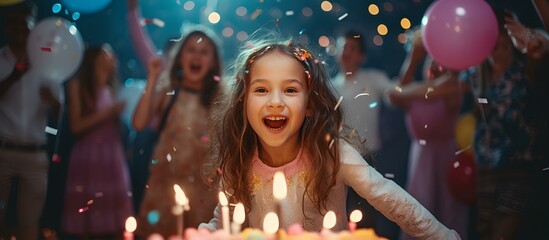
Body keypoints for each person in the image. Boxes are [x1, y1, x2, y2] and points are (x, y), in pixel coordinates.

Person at [199, 38, 460, 239]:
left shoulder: (333, 154)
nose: (275, 102)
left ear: (310, 104)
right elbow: (224, 223)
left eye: (290, 89)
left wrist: (444, 236)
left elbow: (391, 200)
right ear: (244, 102)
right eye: (262, 89)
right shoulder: (239, 162)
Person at [131, 27, 223, 238]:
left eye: (204, 52)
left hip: (204, 194)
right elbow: (138, 123)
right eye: (190, 49)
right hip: (163, 190)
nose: (197, 56)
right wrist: (153, 77)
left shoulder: (220, 96)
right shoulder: (168, 89)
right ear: (180, 57)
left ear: (214, 61)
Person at [469, 5, 549, 239]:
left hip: (518, 167)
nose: (501, 51)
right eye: (496, 46)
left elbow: (541, 48)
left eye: (506, 46)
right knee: (483, 229)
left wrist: (532, 37)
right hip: (485, 167)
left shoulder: (525, 70)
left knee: (503, 233)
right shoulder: (476, 75)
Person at [389, 28, 469, 239]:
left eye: (438, 60)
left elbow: (397, 92)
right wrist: (413, 58)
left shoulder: (453, 87)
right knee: (419, 206)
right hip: (420, 157)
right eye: (429, 60)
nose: (432, 64)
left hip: (445, 156)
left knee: (448, 209)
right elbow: (394, 97)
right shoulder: (416, 91)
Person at [0, 2, 62, 240]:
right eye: (14, 22)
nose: (20, 27)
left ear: (33, 27)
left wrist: (54, 104)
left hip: (35, 154)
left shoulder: (48, 64)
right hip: (2, 151)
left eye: (25, 22)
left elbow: (58, 117)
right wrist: (14, 76)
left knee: (30, 226)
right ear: (6, 26)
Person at [60, 44, 133, 237]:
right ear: (94, 58)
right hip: (88, 155)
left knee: (115, 218)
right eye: (107, 53)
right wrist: (110, 112)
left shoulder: (114, 88)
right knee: (88, 211)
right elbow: (76, 126)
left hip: (112, 154)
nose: (113, 56)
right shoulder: (78, 85)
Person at [331, 30, 394, 229]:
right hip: (336, 159)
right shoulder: (329, 86)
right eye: (343, 47)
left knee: (366, 215)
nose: (346, 52)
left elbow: (396, 94)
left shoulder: (373, 78)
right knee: (338, 213)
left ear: (362, 56)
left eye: (352, 48)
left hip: (368, 157)